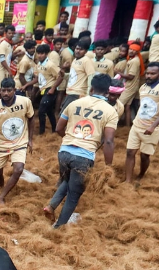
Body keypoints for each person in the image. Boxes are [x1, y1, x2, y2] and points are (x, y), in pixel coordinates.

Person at [43, 74, 118, 228]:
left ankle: (51, 206)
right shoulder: (110, 111)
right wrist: (108, 166)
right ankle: (59, 227)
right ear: (108, 91)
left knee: (68, 180)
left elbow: (58, 128)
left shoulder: (75, 103)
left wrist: (71, 140)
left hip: (64, 152)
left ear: (91, 88)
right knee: (74, 194)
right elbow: (109, 141)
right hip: (84, 157)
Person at [0, 78, 35, 204]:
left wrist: (30, 139)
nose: (6, 93)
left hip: (20, 142)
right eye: (3, 90)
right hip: (1, 144)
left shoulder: (25, 102)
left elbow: (31, 118)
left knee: (18, 169)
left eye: (9, 90)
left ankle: (2, 197)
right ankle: (2, 187)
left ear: (14, 90)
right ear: (0, 91)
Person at [125, 62, 159, 183]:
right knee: (130, 152)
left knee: (144, 156)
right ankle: (127, 180)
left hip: (152, 129)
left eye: (153, 73)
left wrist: (153, 126)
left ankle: (141, 175)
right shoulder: (143, 87)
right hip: (137, 125)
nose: (149, 76)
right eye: (147, 73)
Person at [24, 44, 64, 134]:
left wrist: (53, 88)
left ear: (46, 54)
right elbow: (37, 78)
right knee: (49, 111)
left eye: (42, 53)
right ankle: (54, 129)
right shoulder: (38, 65)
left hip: (49, 90)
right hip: (44, 89)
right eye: (38, 53)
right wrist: (26, 85)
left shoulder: (50, 65)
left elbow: (60, 77)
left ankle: (41, 132)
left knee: (41, 111)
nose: (39, 55)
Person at [115, 43, 144, 127]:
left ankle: (111, 125)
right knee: (127, 107)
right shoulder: (133, 59)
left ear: (137, 51)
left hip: (129, 87)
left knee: (118, 106)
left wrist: (118, 73)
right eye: (131, 49)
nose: (131, 51)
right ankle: (127, 127)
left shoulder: (135, 61)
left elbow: (130, 76)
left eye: (134, 50)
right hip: (131, 86)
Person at [61, 41, 95, 112]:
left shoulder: (86, 61)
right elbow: (73, 76)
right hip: (71, 92)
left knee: (63, 116)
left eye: (81, 49)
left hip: (78, 93)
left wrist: (88, 94)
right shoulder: (74, 60)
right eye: (77, 49)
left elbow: (91, 77)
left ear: (85, 51)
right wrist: (63, 74)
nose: (78, 51)